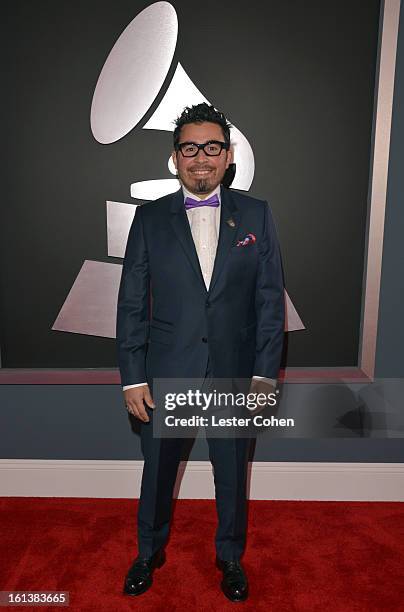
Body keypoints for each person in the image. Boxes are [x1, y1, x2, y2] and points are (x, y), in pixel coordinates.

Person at [116, 103, 285, 602]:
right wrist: (132, 377)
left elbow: (270, 300)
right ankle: (149, 552)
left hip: (235, 373)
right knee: (158, 471)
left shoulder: (256, 215)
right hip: (167, 371)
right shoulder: (148, 220)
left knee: (232, 473)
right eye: (190, 148)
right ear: (175, 158)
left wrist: (264, 376)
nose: (201, 158)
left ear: (228, 156)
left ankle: (229, 557)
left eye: (212, 147)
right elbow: (131, 303)